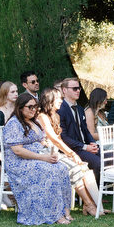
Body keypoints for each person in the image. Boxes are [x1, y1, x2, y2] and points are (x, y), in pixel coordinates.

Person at [3, 94, 72, 225]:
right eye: (30, 107)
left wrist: (49, 150)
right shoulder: (14, 123)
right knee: (49, 170)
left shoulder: (34, 121)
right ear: (20, 107)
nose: (33, 109)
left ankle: (64, 211)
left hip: (36, 158)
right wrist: (43, 157)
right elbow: (17, 150)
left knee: (61, 168)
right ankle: (53, 214)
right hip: (19, 162)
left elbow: (42, 140)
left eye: (35, 106)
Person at [37, 88, 102, 217]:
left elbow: (59, 139)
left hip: (57, 152)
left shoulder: (56, 115)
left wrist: (72, 154)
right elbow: (54, 139)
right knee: (76, 167)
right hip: (44, 153)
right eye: (58, 98)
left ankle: (95, 204)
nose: (61, 101)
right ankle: (89, 204)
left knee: (84, 167)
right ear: (50, 101)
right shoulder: (42, 117)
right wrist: (72, 154)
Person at [58, 77, 102, 179]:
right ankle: (95, 192)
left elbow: (85, 130)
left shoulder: (80, 109)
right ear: (64, 90)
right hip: (73, 149)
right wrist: (85, 147)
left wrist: (93, 143)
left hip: (86, 146)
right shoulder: (60, 109)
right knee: (99, 163)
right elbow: (63, 137)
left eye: (79, 88)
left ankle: (104, 185)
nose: (78, 91)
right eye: (74, 88)